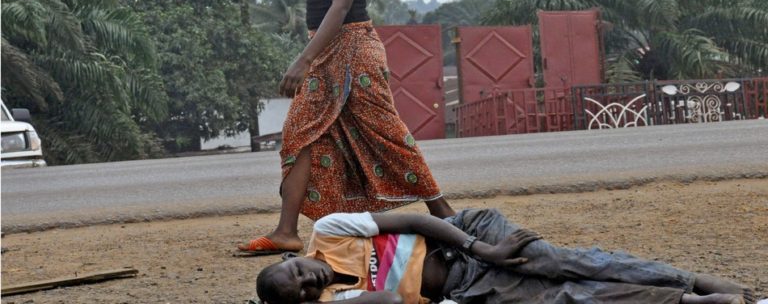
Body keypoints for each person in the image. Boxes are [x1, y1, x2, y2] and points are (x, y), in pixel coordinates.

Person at [238, 0, 453, 255]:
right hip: (326, 52)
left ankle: (443, 212)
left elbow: (339, 7)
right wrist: (312, 54)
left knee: (383, 132)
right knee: (303, 133)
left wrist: (304, 60)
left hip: (353, 49)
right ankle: (287, 230)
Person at [255, 209, 755, 304]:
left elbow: (412, 220)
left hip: (466, 236)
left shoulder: (327, 231)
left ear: (296, 257)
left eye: (297, 269)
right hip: (462, 288)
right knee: (567, 299)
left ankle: (695, 280)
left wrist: (481, 247)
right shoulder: (334, 301)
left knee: (563, 263)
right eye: (302, 289)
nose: (309, 277)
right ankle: (687, 303)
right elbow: (386, 302)